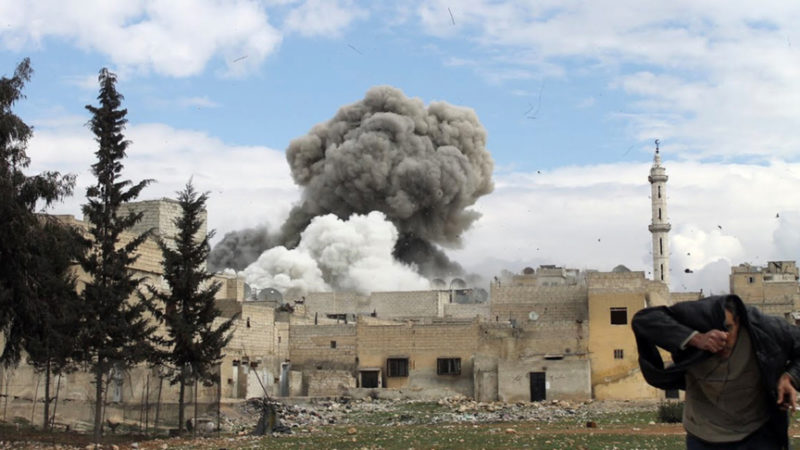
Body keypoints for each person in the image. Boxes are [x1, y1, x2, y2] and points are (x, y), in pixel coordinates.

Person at [632, 294, 800, 449]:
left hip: (756, 433)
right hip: (703, 434)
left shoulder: (765, 329)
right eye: (713, 330)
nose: (722, 337)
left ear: (738, 321)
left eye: (728, 328)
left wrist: (790, 377)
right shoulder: (693, 330)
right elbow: (643, 320)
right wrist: (696, 339)